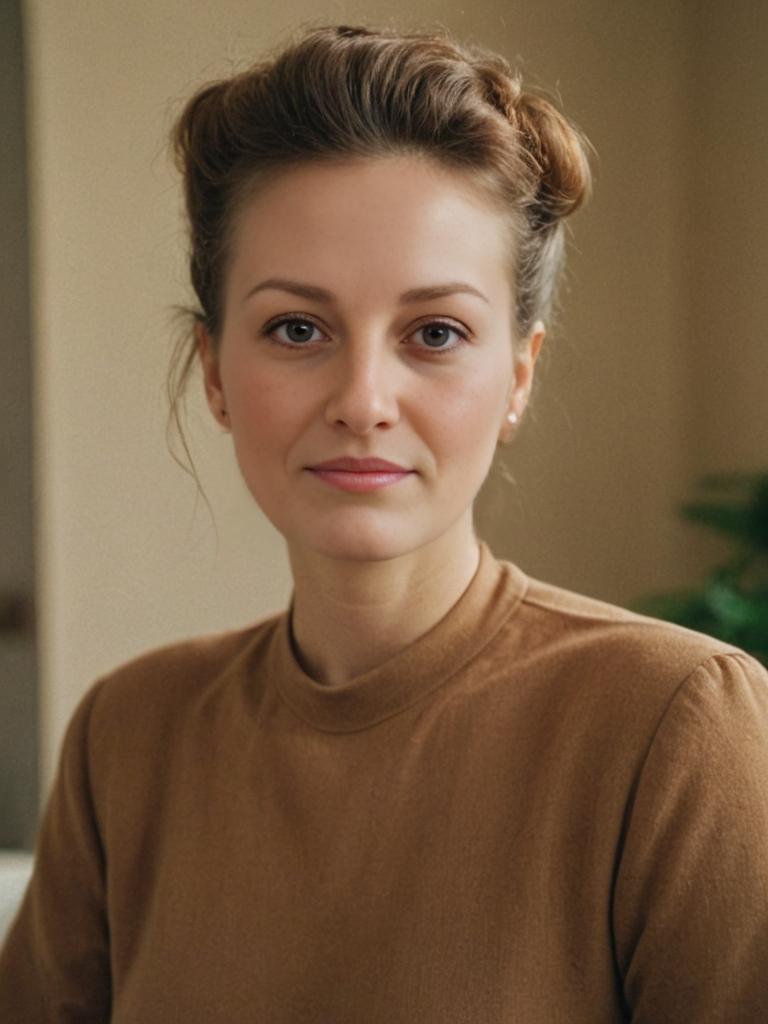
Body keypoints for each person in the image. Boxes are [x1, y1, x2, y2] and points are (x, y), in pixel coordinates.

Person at [1, 21, 767, 1023]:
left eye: (435, 333)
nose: (364, 397)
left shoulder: (677, 729)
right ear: (219, 372)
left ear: (518, 377)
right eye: (298, 328)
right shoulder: (128, 736)